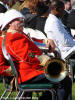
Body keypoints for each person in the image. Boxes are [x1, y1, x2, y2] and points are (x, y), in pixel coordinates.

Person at [1, 9, 56, 100]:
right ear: (9, 23)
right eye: (19, 20)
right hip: (27, 74)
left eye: (22, 19)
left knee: (62, 80)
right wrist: (47, 61)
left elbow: (32, 41)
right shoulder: (13, 37)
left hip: (30, 71)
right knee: (62, 80)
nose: (22, 22)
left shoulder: (19, 34)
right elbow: (28, 56)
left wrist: (46, 41)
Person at [44, 0, 72, 100]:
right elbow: (64, 41)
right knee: (66, 81)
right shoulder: (53, 21)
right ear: (56, 9)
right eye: (62, 9)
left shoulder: (56, 19)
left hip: (65, 49)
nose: (64, 12)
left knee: (67, 81)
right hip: (62, 52)